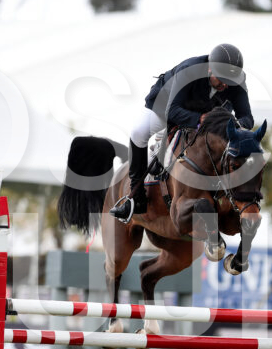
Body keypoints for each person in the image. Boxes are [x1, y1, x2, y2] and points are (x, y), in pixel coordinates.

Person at [109, 43, 255, 223]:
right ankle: (136, 197)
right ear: (210, 69)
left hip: (206, 113)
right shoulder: (190, 71)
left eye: (229, 81)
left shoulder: (235, 80)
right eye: (222, 79)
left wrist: (234, 125)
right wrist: (199, 119)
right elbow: (172, 111)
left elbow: (247, 118)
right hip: (166, 106)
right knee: (138, 132)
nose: (225, 85)